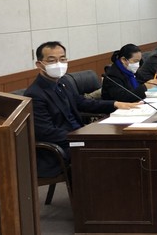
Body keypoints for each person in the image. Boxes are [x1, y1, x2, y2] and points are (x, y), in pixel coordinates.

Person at [25, 41, 139, 177]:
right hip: (60, 147)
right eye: (52, 60)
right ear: (39, 64)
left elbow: (82, 102)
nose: (58, 64)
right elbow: (46, 132)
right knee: (110, 152)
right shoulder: (35, 94)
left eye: (62, 59)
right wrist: (82, 135)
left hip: (78, 136)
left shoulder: (63, 82)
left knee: (123, 144)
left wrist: (115, 104)